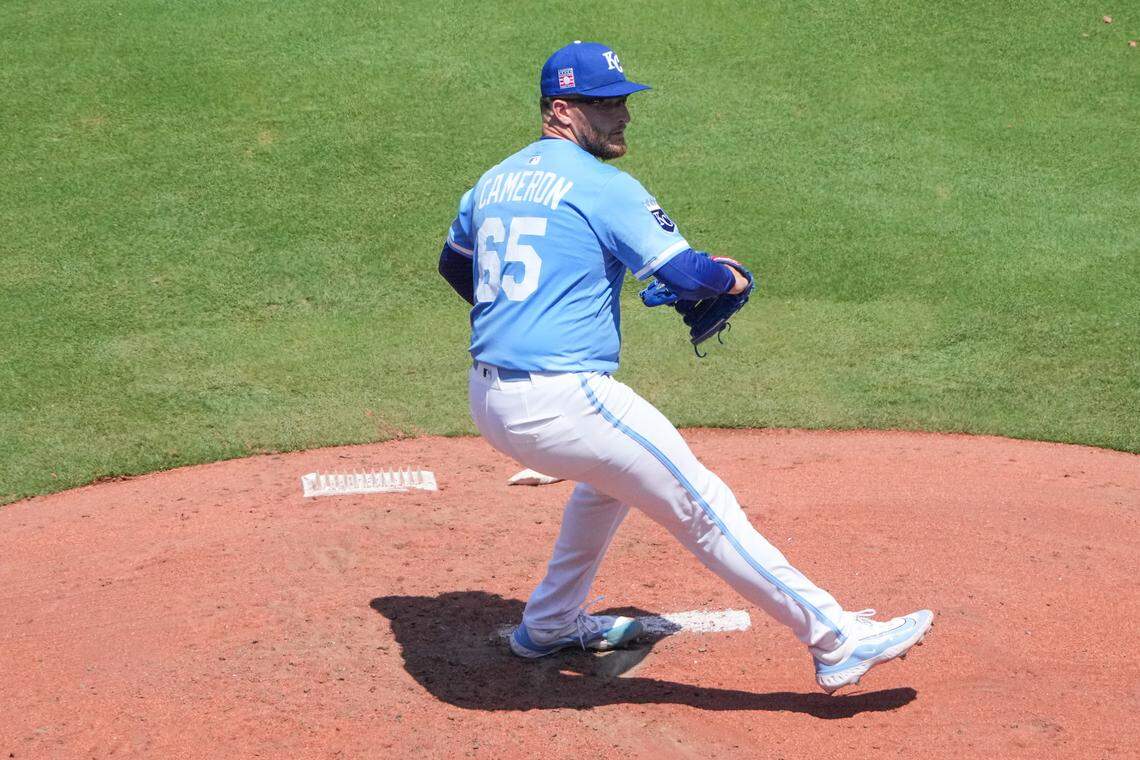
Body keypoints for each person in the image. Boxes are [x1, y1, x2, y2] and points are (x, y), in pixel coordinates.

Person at [437, 41, 932, 694]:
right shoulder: (602, 187)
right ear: (561, 109)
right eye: (606, 104)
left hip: (491, 400)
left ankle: (550, 625)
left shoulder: (493, 180)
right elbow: (684, 273)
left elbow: (453, 266)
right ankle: (837, 639)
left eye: (623, 101)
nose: (623, 116)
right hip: (564, 402)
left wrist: (520, 311)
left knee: (609, 480)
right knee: (703, 505)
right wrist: (730, 278)